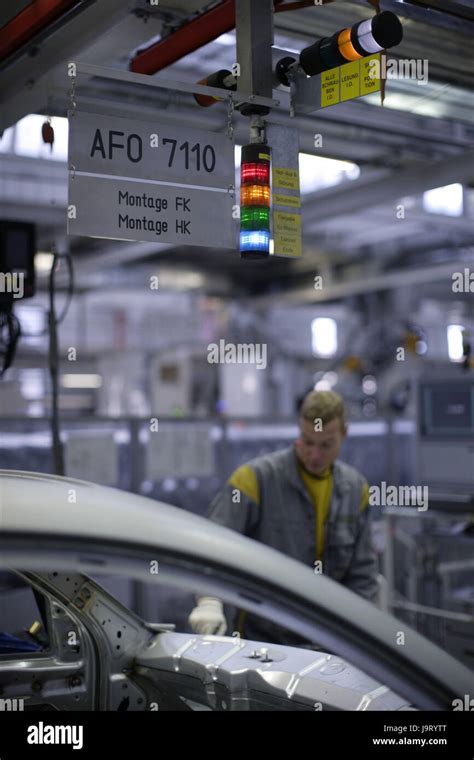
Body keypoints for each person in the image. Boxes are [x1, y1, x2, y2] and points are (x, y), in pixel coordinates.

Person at [188, 390, 378, 646]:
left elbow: (362, 576)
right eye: (307, 442)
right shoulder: (254, 480)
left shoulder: (356, 490)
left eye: (325, 445)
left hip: (330, 644)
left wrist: (359, 634)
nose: (314, 455)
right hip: (261, 644)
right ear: (299, 430)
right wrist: (209, 600)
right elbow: (210, 546)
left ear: (344, 435)